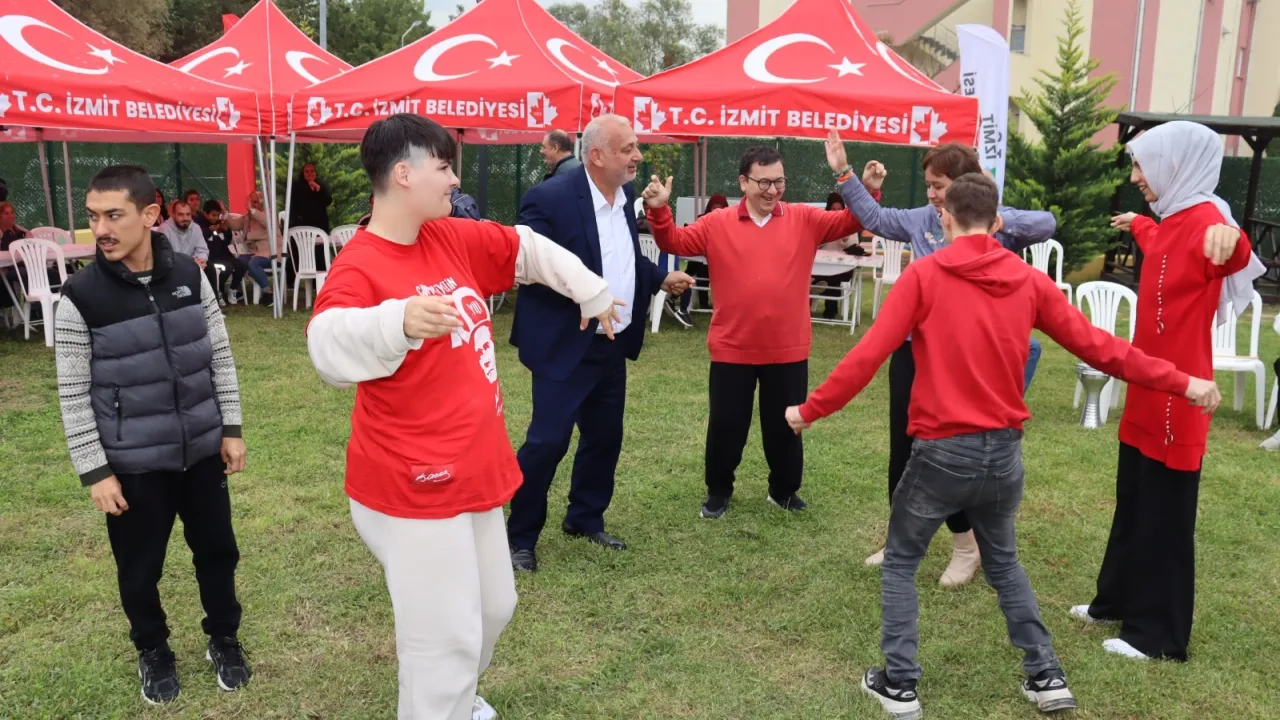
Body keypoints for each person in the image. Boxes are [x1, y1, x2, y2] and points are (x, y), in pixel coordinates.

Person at [785, 173, 1221, 719]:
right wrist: (1182, 381)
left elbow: (867, 356)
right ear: (996, 223)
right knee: (1005, 564)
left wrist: (809, 410)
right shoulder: (1027, 279)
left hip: (942, 454)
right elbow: (1102, 348)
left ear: (944, 217)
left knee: (900, 561)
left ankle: (899, 682)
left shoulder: (924, 275)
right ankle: (1046, 675)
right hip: (1003, 456)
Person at [305, 113, 624, 720]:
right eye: (444, 167)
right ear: (404, 174)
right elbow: (326, 344)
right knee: (443, 639)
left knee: (495, 606)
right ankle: (440, 703)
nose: (454, 180)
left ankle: (454, 699)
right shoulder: (360, 264)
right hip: (413, 484)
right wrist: (395, 321)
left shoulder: (448, 236)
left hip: (472, 470)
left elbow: (524, 247)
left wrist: (590, 289)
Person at [53, 164, 251, 705]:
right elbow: (72, 394)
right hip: (133, 464)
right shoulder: (81, 296)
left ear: (149, 215)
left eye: (113, 215)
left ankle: (224, 638)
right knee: (139, 569)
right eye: (93, 217)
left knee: (218, 552)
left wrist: (231, 428)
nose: (101, 229)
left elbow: (219, 356)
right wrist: (95, 471)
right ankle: (153, 648)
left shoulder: (190, 274)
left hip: (202, 452)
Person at [826, 129, 1057, 585]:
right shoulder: (921, 221)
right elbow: (875, 216)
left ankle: (966, 547)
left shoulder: (990, 223)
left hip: (968, 359)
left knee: (957, 451)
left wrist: (993, 216)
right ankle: (899, 538)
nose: (931, 194)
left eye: (939, 186)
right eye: (929, 185)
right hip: (915, 353)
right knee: (904, 446)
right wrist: (845, 173)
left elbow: (1046, 223)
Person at [1072, 121, 1263, 662]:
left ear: (1175, 165)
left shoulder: (1207, 220)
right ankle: (1115, 601)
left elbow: (1230, 248)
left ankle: (1157, 636)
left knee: (1166, 514)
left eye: (1142, 165)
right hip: (1147, 385)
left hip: (1183, 394)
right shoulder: (1171, 218)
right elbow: (1158, 240)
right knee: (1133, 500)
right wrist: (1135, 222)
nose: (1136, 177)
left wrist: (1234, 239)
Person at [642, 145, 878, 520]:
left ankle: (783, 491)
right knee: (726, 425)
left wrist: (868, 188)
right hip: (732, 346)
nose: (772, 190)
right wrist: (658, 209)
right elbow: (674, 241)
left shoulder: (804, 218)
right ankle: (719, 491)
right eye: (763, 182)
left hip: (788, 347)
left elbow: (852, 221)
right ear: (743, 182)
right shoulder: (717, 222)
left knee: (786, 425)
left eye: (779, 182)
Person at [507, 114, 693, 573]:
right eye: (628, 149)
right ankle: (518, 537)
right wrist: (585, 295)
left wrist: (658, 277)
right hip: (564, 343)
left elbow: (619, 258)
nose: (638, 156)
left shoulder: (624, 196)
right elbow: (527, 264)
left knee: (605, 436)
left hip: (612, 342)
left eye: (636, 147)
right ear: (596, 155)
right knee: (548, 441)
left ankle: (585, 517)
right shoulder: (548, 198)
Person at [662, 193, 729, 329]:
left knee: (694, 269)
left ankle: (677, 300)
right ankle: (682, 305)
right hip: (701, 260)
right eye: (714, 208)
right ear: (710, 208)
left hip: (717, 264)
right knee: (696, 266)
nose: (716, 212)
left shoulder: (729, 224)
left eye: (720, 209)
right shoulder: (703, 220)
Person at [814, 191, 860, 320]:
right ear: (828, 210)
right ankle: (815, 293)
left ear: (843, 210)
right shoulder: (821, 224)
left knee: (833, 279)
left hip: (843, 268)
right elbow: (814, 244)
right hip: (823, 266)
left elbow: (855, 247)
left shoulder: (850, 224)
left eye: (839, 209)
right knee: (819, 276)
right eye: (833, 209)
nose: (836, 212)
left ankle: (830, 311)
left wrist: (846, 239)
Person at [201, 200, 249, 304]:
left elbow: (226, 242)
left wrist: (226, 230)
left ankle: (233, 288)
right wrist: (210, 230)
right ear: (205, 214)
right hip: (211, 257)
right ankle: (218, 290)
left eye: (218, 215)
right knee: (227, 267)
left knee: (242, 264)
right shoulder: (201, 225)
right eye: (213, 215)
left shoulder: (220, 223)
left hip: (224, 255)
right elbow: (201, 239)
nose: (216, 218)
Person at [159, 199, 210, 269]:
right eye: (180, 214)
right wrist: (190, 262)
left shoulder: (196, 228)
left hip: (193, 266)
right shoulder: (164, 229)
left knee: (210, 268)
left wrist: (200, 260)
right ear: (173, 215)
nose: (185, 218)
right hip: (172, 269)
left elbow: (203, 250)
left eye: (188, 214)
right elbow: (164, 257)